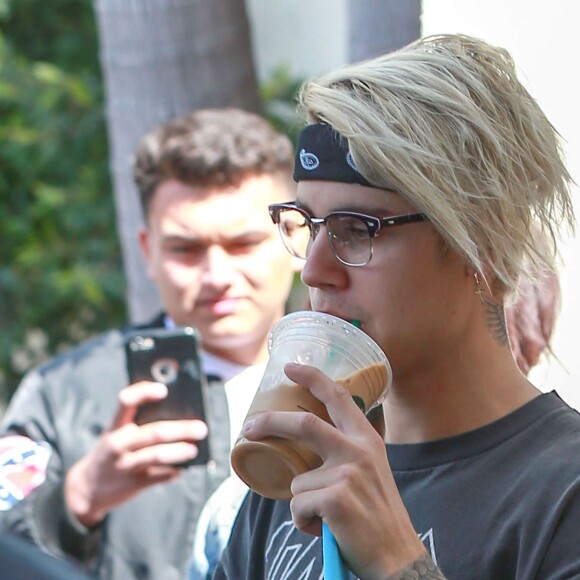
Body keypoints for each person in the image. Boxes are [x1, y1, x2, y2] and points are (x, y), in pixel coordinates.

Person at [213, 35, 580, 579]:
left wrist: (394, 560)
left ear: (486, 248)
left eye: (358, 230)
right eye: (308, 226)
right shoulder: (296, 466)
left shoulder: (562, 493)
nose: (314, 270)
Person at [0, 107, 300, 579]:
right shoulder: (63, 392)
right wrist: (75, 502)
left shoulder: (358, 382)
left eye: (243, 244)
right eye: (186, 249)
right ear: (148, 251)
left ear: (294, 237)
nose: (217, 276)